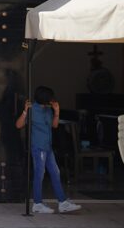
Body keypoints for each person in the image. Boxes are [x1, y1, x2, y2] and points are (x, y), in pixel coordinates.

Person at [16, 86, 81, 214]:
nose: (53, 100)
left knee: (55, 172)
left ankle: (62, 202)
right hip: (38, 147)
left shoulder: (47, 110)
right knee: (39, 174)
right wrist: (24, 112)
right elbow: (18, 125)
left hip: (48, 146)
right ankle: (37, 204)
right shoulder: (32, 109)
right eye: (50, 98)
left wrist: (56, 112)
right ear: (45, 99)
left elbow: (54, 125)